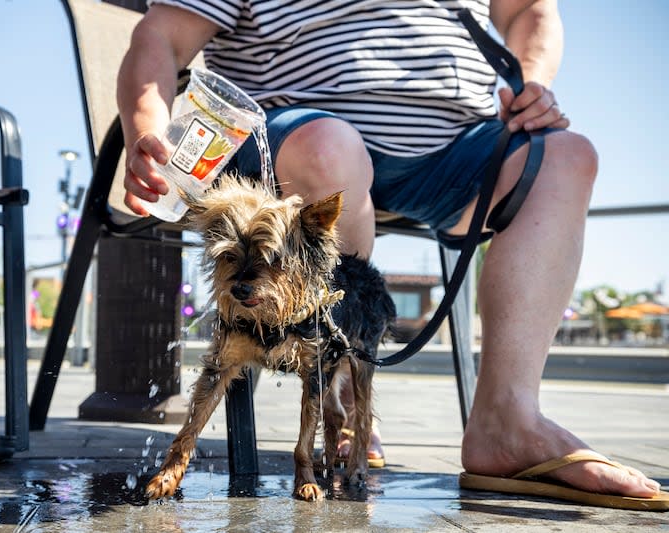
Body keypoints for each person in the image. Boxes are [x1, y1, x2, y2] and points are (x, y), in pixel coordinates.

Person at [116, 0, 662, 503]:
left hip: (455, 147)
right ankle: (341, 399)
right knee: (332, 150)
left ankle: (507, 420)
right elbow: (160, 35)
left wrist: (534, 82)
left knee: (566, 158)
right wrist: (148, 130)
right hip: (297, 140)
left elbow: (530, 9)